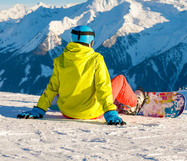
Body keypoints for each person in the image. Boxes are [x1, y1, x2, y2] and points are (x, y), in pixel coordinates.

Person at [17, 25, 145, 125]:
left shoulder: (60, 59)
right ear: (91, 42)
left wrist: (39, 110)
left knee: (63, 84)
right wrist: (110, 113)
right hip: (92, 113)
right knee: (120, 80)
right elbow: (103, 87)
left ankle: (112, 104)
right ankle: (134, 104)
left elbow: (52, 88)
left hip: (67, 112)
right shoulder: (96, 58)